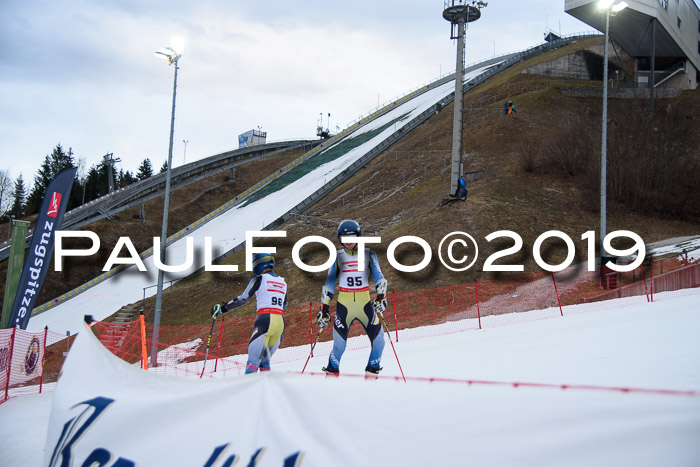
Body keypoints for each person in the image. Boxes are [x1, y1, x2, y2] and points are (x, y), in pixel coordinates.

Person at [317, 219, 388, 377]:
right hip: (344, 306)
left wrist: (381, 296)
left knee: (379, 342)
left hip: (365, 305)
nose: (348, 241)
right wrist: (324, 308)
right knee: (339, 345)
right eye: (344, 238)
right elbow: (329, 283)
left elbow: (379, 277)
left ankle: (371, 375)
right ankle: (331, 375)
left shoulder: (369, 254)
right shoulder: (337, 256)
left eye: (351, 237)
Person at [211, 252, 288, 374]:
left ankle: (250, 392)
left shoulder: (259, 279)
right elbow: (284, 304)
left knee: (252, 365)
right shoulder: (283, 282)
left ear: (259, 264)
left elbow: (242, 299)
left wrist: (222, 308)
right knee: (265, 364)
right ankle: (266, 392)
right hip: (280, 322)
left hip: (265, 320)